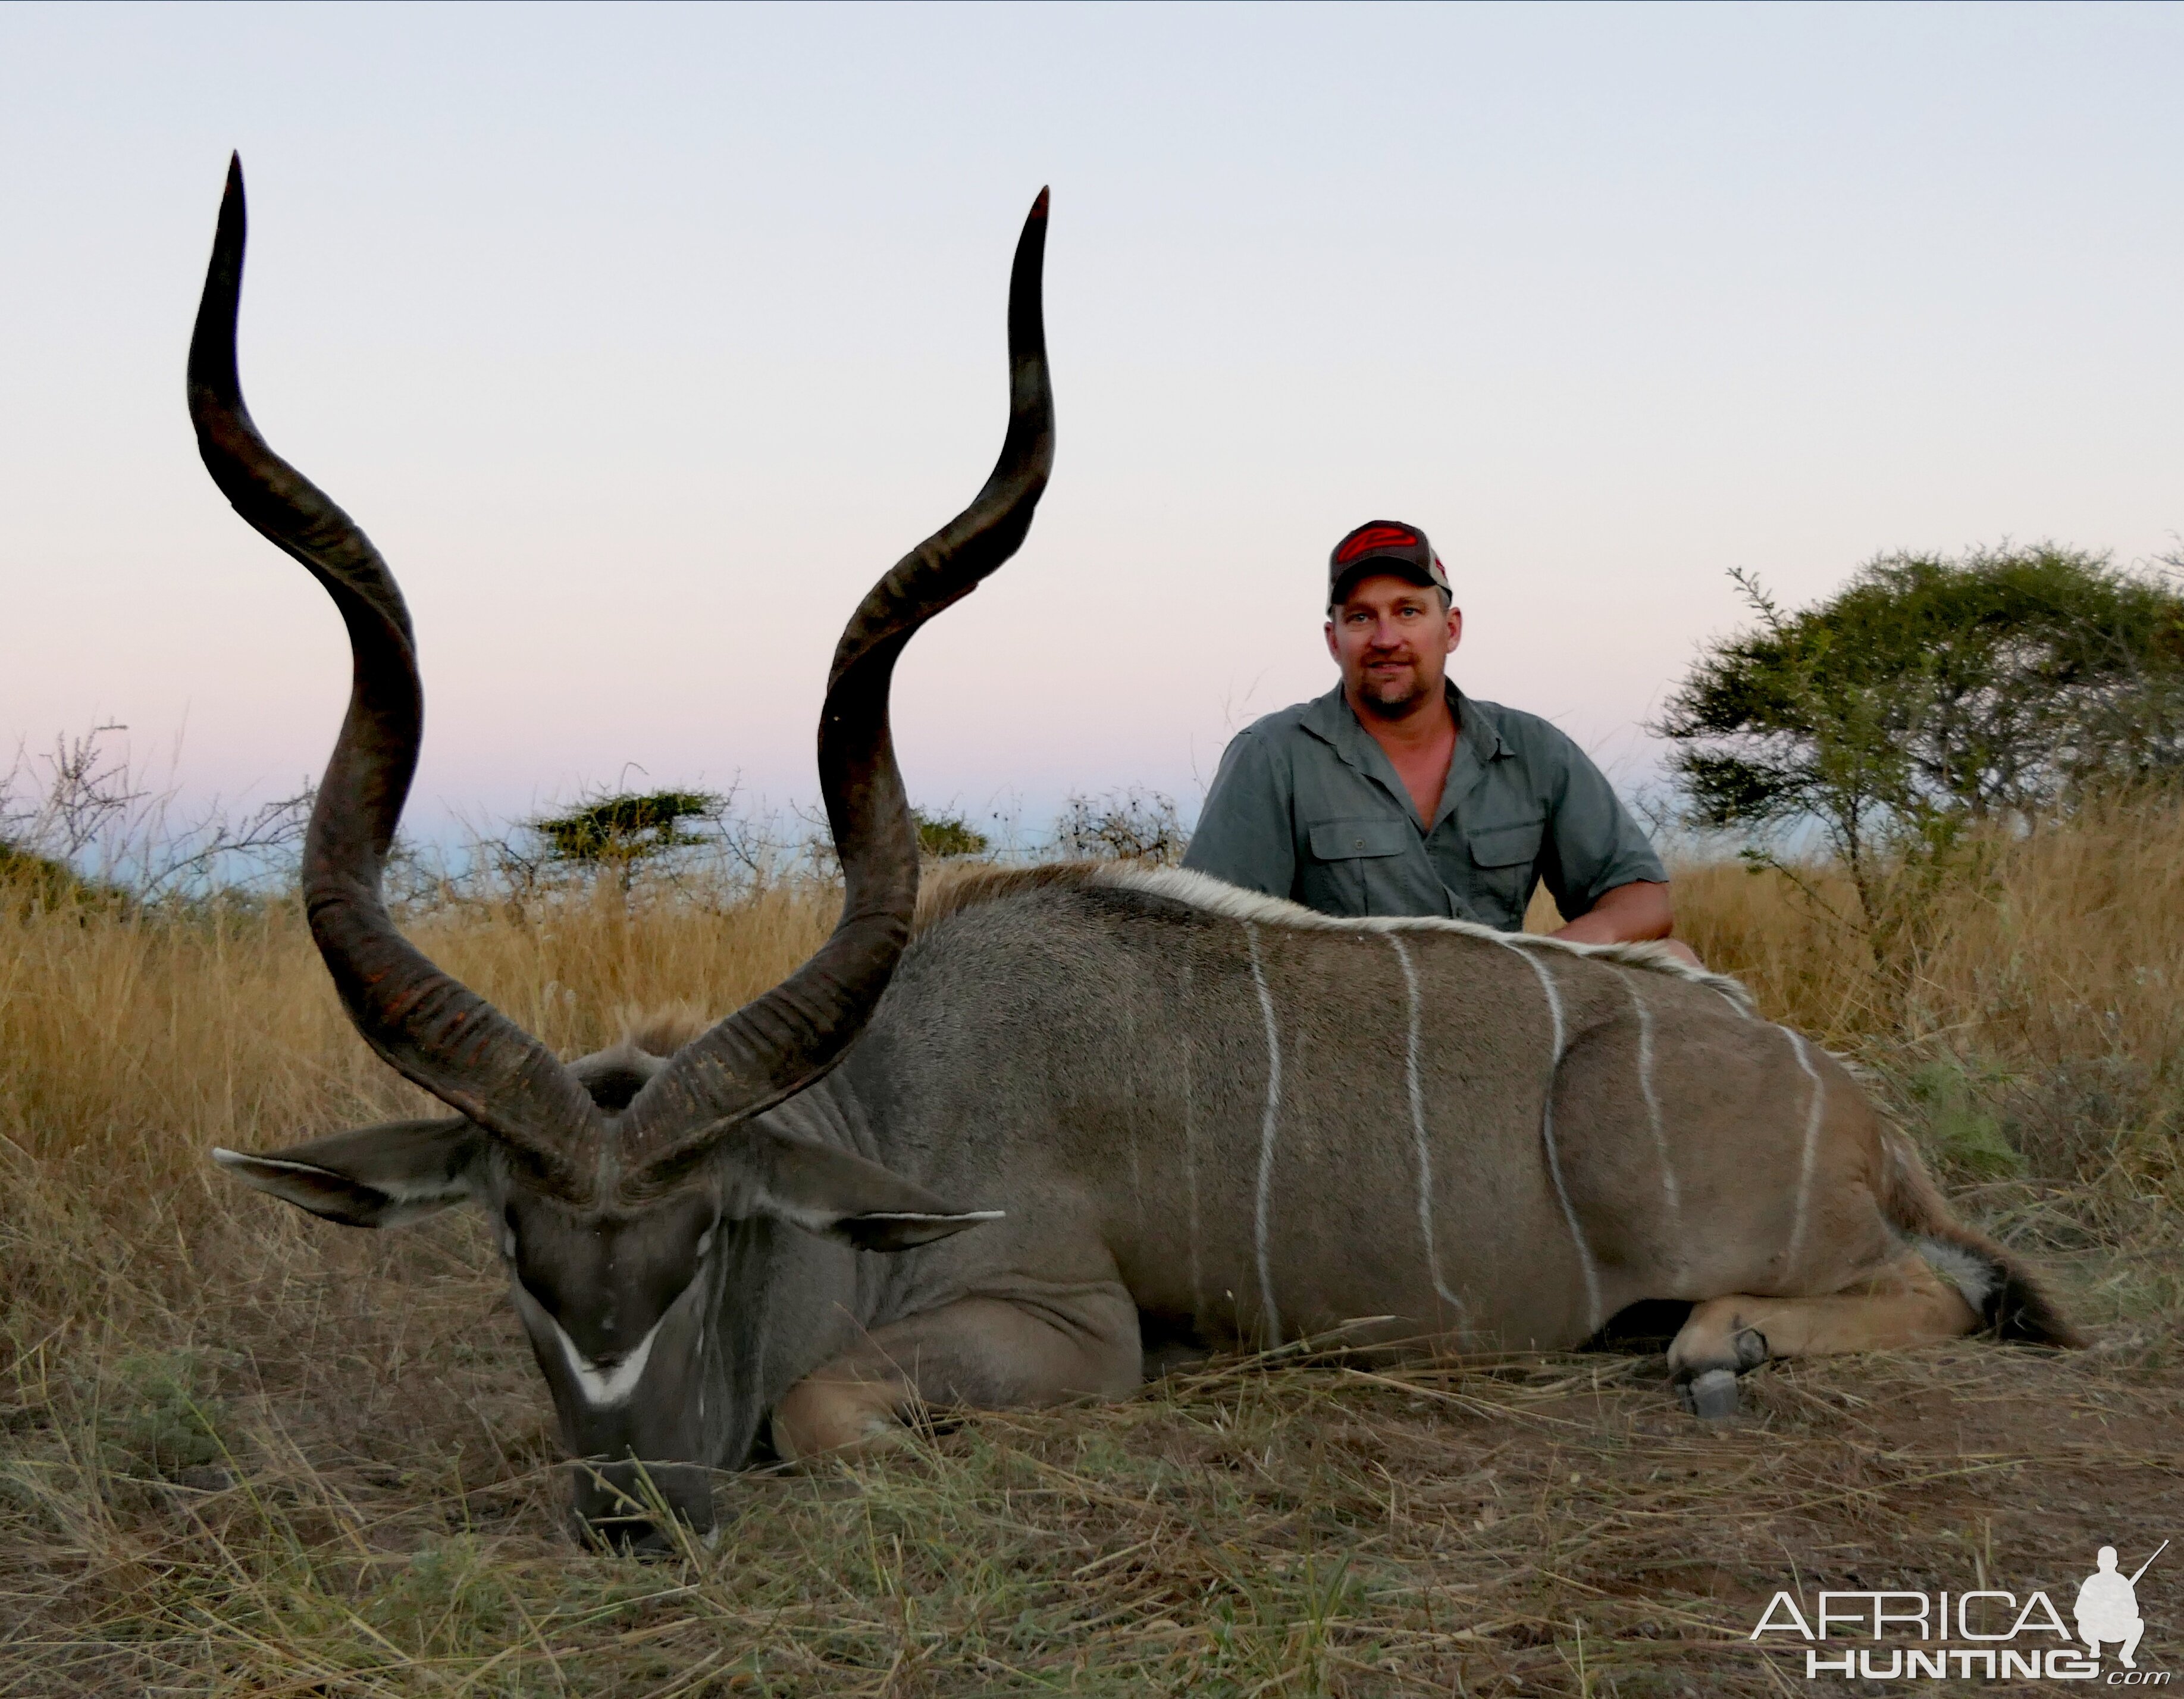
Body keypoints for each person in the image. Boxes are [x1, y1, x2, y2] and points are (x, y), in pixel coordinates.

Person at [1184, 518, 1694, 959]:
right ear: (1332, 639)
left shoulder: (1533, 748)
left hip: (1504, 1008)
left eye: (1408, 611)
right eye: (1361, 617)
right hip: (1345, 1038)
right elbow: (1210, 938)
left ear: (1449, 629)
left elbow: (1641, 898)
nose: (1386, 639)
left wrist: (1546, 963)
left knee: (1676, 964)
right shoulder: (1272, 754)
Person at [2075, 1546, 2146, 1669]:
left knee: (2139, 1624)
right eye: (2105, 1562)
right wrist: (2097, 1611)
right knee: (2082, 1624)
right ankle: (2094, 1646)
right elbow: (2079, 1610)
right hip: (2095, 1629)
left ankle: (2126, 1655)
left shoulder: (2123, 1582)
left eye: (2110, 1562)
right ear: (2099, 1563)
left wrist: (2119, 1609)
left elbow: (2134, 1611)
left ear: (2116, 1563)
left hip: (2117, 1628)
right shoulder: (2091, 1582)